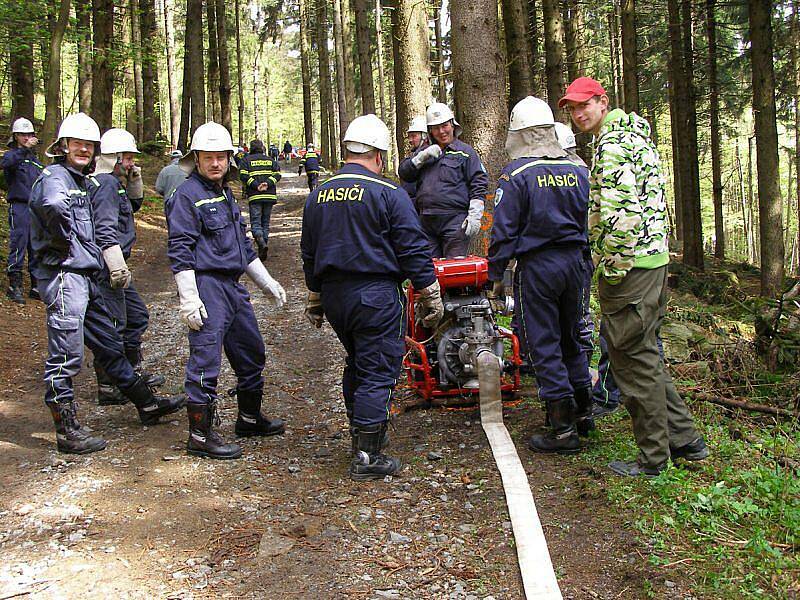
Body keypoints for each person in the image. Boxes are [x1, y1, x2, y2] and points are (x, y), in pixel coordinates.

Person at [560, 76, 709, 476]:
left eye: (583, 106)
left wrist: (612, 267)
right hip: (652, 260)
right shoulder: (634, 136)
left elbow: (621, 212)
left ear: (602, 101)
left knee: (632, 361)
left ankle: (653, 458)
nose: (578, 114)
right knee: (645, 353)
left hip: (631, 267)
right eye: (572, 109)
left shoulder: (612, 146)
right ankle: (685, 439)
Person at [29, 113, 185, 454]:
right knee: (65, 356)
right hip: (64, 277)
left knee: (110, 345)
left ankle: (146, 403)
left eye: (89, 145)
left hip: (86, 278)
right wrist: (63, 242)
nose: (83, 149)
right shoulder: (55, 176)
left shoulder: (82, 180)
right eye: (77, 144)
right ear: (63, 146)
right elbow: (52, 206)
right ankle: (67, 430)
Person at [300, 114, 444, 480]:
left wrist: (315, 297)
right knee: (379, 368)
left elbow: (310, 252)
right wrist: (429, 292)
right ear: (378, 155)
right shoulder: (389, 193)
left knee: (358, 362)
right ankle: (367, 454)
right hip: (375, 295)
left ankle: (360, 431)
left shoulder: (320, 194)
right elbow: (412, 248)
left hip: (335, 297)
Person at [166, 121, 288, 460]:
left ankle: (249, 418)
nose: (216, 163)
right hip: (206, 285)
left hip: (232, 287)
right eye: (209, 157)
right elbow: (180, 249)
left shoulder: (224, 192)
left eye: (221, 157)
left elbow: (244, 248)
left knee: (251, 352)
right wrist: (189, 297)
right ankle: (200, 436)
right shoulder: (186, 196)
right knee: (206, 358)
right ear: (197, 159)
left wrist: (267, 282)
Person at [487, 97, 594, 455]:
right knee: (572, 337)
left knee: (544, 343)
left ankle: (562, 429)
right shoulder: (580, 170)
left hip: (539, 267)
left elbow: (504, 232)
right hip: (576, 264)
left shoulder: (516, 175)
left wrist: (495, 274)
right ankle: (584, 412)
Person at [88, 128, 167, 405]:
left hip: (115, 267)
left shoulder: (112, 182)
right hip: (108, 269)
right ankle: (110, 386)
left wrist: (135, 182)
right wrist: (116, 266)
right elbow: (105, 228)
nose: (133, 163)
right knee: (115, 326)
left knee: (136, 317)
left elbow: (130, 208)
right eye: (129, 159)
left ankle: (131, 372)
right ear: (114, 157)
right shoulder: (105, 184)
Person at [398, 102, 488, 258]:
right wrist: (420, 159)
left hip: (455, 222)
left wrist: (475, 215)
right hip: (426, 222)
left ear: (452, 125)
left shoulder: (466, 153)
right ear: (430, 131)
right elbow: (404, 173)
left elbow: (478, 183)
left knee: (454, 272)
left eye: (444, 126)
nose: (441, 131)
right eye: (435, 128)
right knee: (430, 272)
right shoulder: (423, 152)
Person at [2, 117, 43, 303]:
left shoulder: (35, 161)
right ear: (16, 136)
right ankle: (14, 284)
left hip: (35, 208)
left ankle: (36, 285)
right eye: (23, 135)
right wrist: (24, 149)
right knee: (19, 243)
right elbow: (5, 163)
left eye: (29, 134)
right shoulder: (13, 156)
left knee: (35, 246)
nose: (27, 138)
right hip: (19, 206)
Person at [238, 139, 281, 261]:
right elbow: (277, 174)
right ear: (262, 148)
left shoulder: (246, 160)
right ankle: (264, 244)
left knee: (256, 222)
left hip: (255, 196)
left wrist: (256, 185)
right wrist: (267, 184)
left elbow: (243, 175)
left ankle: (261, 243)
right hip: (269, 196)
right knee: (265, 222)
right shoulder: (270, 160)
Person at [401, 116, 428, 210]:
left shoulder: (430, 157)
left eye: (414, 136)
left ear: (424, 136)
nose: (410, 140)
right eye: (409, 136)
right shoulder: (414, 157)